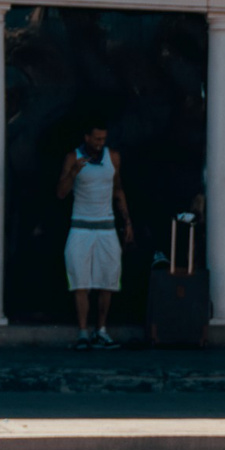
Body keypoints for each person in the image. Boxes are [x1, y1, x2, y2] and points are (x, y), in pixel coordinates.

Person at [58, 122, 132, 349]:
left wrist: (128, 221)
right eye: (97, 139)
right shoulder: (74, 157)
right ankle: (83, 332)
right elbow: (60, 193)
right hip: (80, 228)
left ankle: (100, 330)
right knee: (80, 282)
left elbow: (117, 189)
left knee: (106, 282)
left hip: (106, 228)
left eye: (103, 139)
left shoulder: (113, 157)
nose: (100, 144)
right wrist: (73, 173)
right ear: (87, 137)